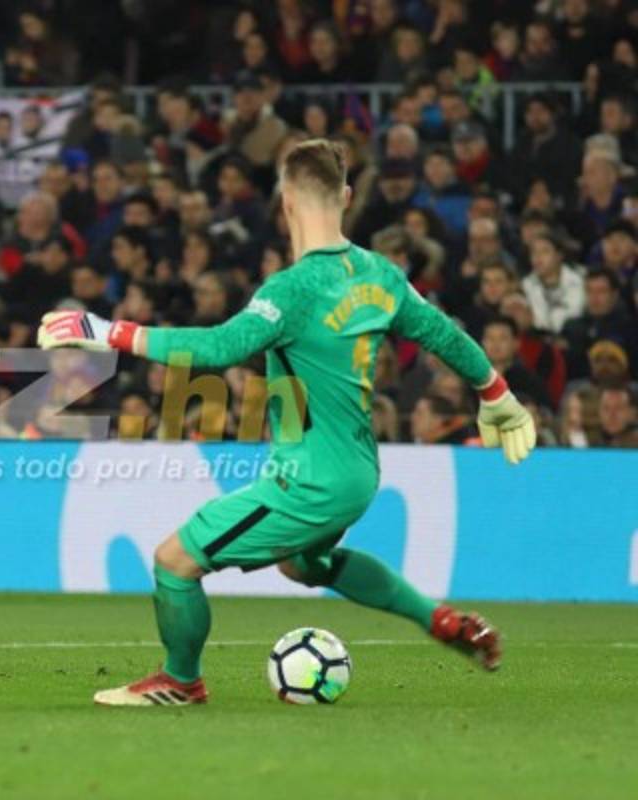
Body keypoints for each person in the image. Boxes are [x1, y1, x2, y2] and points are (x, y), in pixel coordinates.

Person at [38, 139, 535, 706]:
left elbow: (221, 347)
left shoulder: (294, 288)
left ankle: (180, 681)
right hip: (358, 470)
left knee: (174, 562)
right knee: (305, 565)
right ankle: (438, 619)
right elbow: (443, 333)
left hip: (310, 480)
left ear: (286, 202)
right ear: (345, 196)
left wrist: (109, 332)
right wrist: (496, 394)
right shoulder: (380, 275)